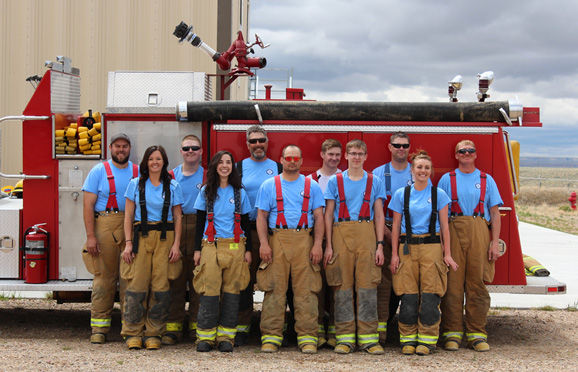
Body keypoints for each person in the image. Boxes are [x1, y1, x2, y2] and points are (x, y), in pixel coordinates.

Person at [255, 144, 325, 354]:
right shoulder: (269, 185)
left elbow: (319, 217)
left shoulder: (312, 186)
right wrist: (264, 244)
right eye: (288, 158)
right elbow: (261, 217)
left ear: (301, 161)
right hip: (277, 240)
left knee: (306, 292)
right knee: (274, 291)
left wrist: (318, 245)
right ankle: (271, 337)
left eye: (296, 158)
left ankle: (308, 337)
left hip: (305, 240)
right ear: (282, 160)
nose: (292, 162)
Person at [389, 150, 458, 356]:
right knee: (408, 296)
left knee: (430, 296)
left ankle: (427, 340)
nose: (423, 171)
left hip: (432, 248)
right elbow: (395, 227)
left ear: (431, 171)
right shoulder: (401, 194)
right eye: (419, 167)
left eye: (427, 168)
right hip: (407, 248)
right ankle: (408, 339)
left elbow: (445, 228)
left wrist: (447, 254)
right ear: (412, 170)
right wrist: (394, 254)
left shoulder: (440, 195)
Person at [438, 140, 503, 352]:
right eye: (462, 151)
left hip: (479, 231)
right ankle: (452, 334)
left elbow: (494, 213)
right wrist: (443, 246)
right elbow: (440, 214)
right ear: (456, 155)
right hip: (454, 229)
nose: (466, 153)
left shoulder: (487, 180)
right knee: (453, 285)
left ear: (476, 154)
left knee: (477, 283)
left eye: (470, 150)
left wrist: (494, 242)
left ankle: (477, 334)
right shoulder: (447, 179)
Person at [324, 139, 386, 355]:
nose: (356, 157)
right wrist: (329, 245)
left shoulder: (375, 181)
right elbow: (328, 214)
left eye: (360, 153)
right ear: (346, 156)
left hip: (367, 235)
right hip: (341, 235)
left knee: (368, 286)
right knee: (342, 288)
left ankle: (369, 339)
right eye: (352, 153)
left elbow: (379, 214)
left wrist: (379, 245)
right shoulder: (334, 181)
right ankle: (344, 338)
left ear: (366, 156)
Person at [120, 145, 184, 350]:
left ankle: (154, 332)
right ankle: (133, 333)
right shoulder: (135, 184)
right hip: (140, 238)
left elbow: (178, 217)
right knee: (137, 287)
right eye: (151, 159)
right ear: (146, 162)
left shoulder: (173, 186)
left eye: (158, 159)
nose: (154, 162)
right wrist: (128, 244)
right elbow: (128, 216)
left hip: (165, 239)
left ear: (164, 162)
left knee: (161, 287)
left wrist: (176, 245)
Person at [192, 151, 252, 352]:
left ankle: (227, 336)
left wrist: (249, 250)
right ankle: (206, 337)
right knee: (209, 291)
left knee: (232, 292)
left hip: (235, 245)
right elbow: (200, 221)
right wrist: (196, 250)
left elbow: (245, 222)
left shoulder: (239, 192)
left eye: (228, 162)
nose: (225, 166)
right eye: (221, 162)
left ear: (232, 167)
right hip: (211, 245)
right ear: (215, 166)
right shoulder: (206, 191)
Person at [82, 133, 137, 344]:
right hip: (104, 224)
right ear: (110, 148)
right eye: (117, 146)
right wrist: (90, 237)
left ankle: (130, 327)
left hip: (131, 226)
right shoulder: (98, 171)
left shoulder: (137, 171)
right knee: (104, 279)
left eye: (124, 146)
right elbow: (87, 206)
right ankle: (99, 328)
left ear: (129, 148)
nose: (121, 150)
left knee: (130, 279)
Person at [235, 125, 282, 345]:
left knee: (274, 281)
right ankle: (242, 328)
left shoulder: (278, 168)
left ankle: (273, 328)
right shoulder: (238, 168)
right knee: (244, 281)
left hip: (272, 235)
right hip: (246, 231)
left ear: (267, 141)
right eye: (253, 141)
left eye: (261, 140)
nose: (257, 145)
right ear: (247, 144)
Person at [163, 135, 204, 345]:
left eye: (194, 148)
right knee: (176, 280)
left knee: (199, 280)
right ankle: (172, 329)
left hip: (200, 227)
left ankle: (197, 327)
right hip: (176, 228)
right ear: (180, 151)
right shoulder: (170, 176)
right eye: (186, 148)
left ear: (201, 151)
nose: (190, 151)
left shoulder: (207, 176)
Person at [372, 131, 413, 345]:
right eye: (397, 145)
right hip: (385, 231)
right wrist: (387, 235)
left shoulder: (417, 173)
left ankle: (407, 328)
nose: (401, 149)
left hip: (411, 235)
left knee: (408, 282)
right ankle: (381, 331)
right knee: (384, 282)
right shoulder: (378, 174)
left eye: (405, 146)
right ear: (389, 147)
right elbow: (373, 209)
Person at [307, 138, 342, 348]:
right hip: (315, 236)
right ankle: (317, 329)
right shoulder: (309, 181)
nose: (334, 158)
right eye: (331, 154)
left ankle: (337, 330)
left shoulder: (346, 178)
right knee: (315, 284)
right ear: (322, 155)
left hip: (340, 235)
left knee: (339, 283)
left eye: (338, 155)